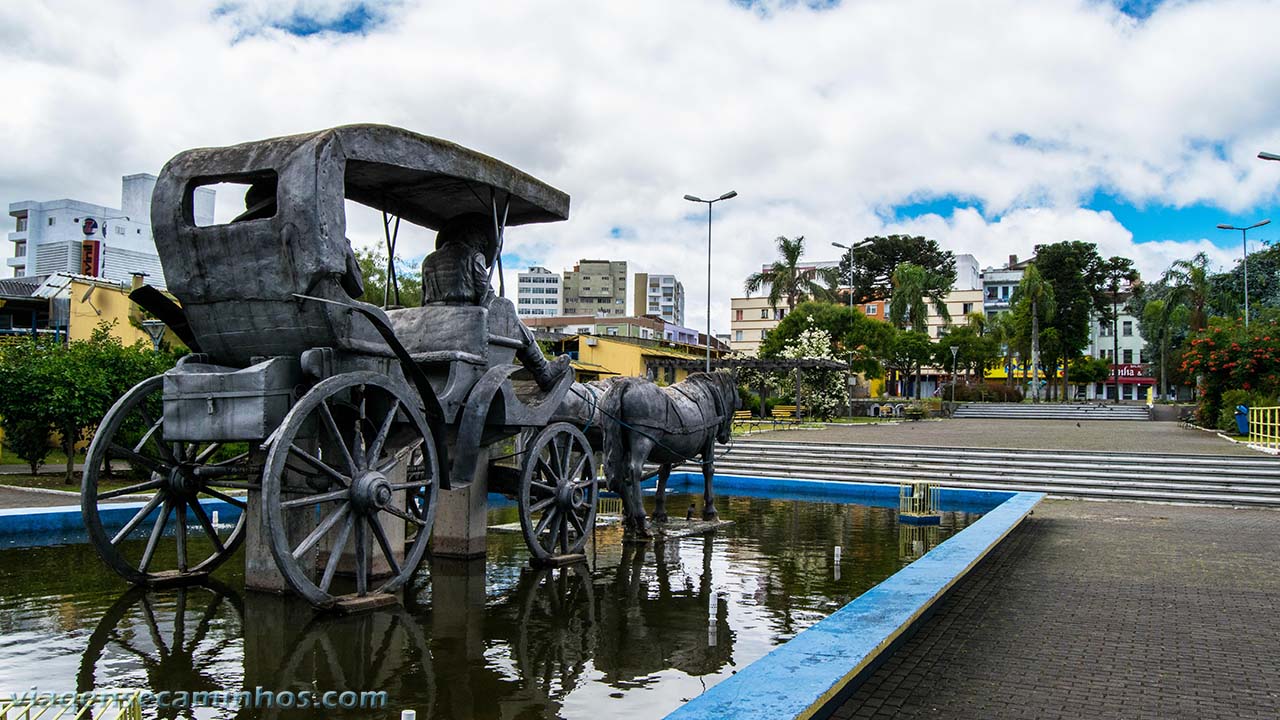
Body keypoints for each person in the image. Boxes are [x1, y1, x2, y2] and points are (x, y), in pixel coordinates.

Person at [421, 213, 569, 391]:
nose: (484, 243)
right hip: (466, 325)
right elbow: (488, 297)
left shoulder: (428, 260)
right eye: (481, 237)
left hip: (431, 326)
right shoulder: (474, 256)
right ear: (468, 234)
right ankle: (543, 371)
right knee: (512, 320)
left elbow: (424, 299)